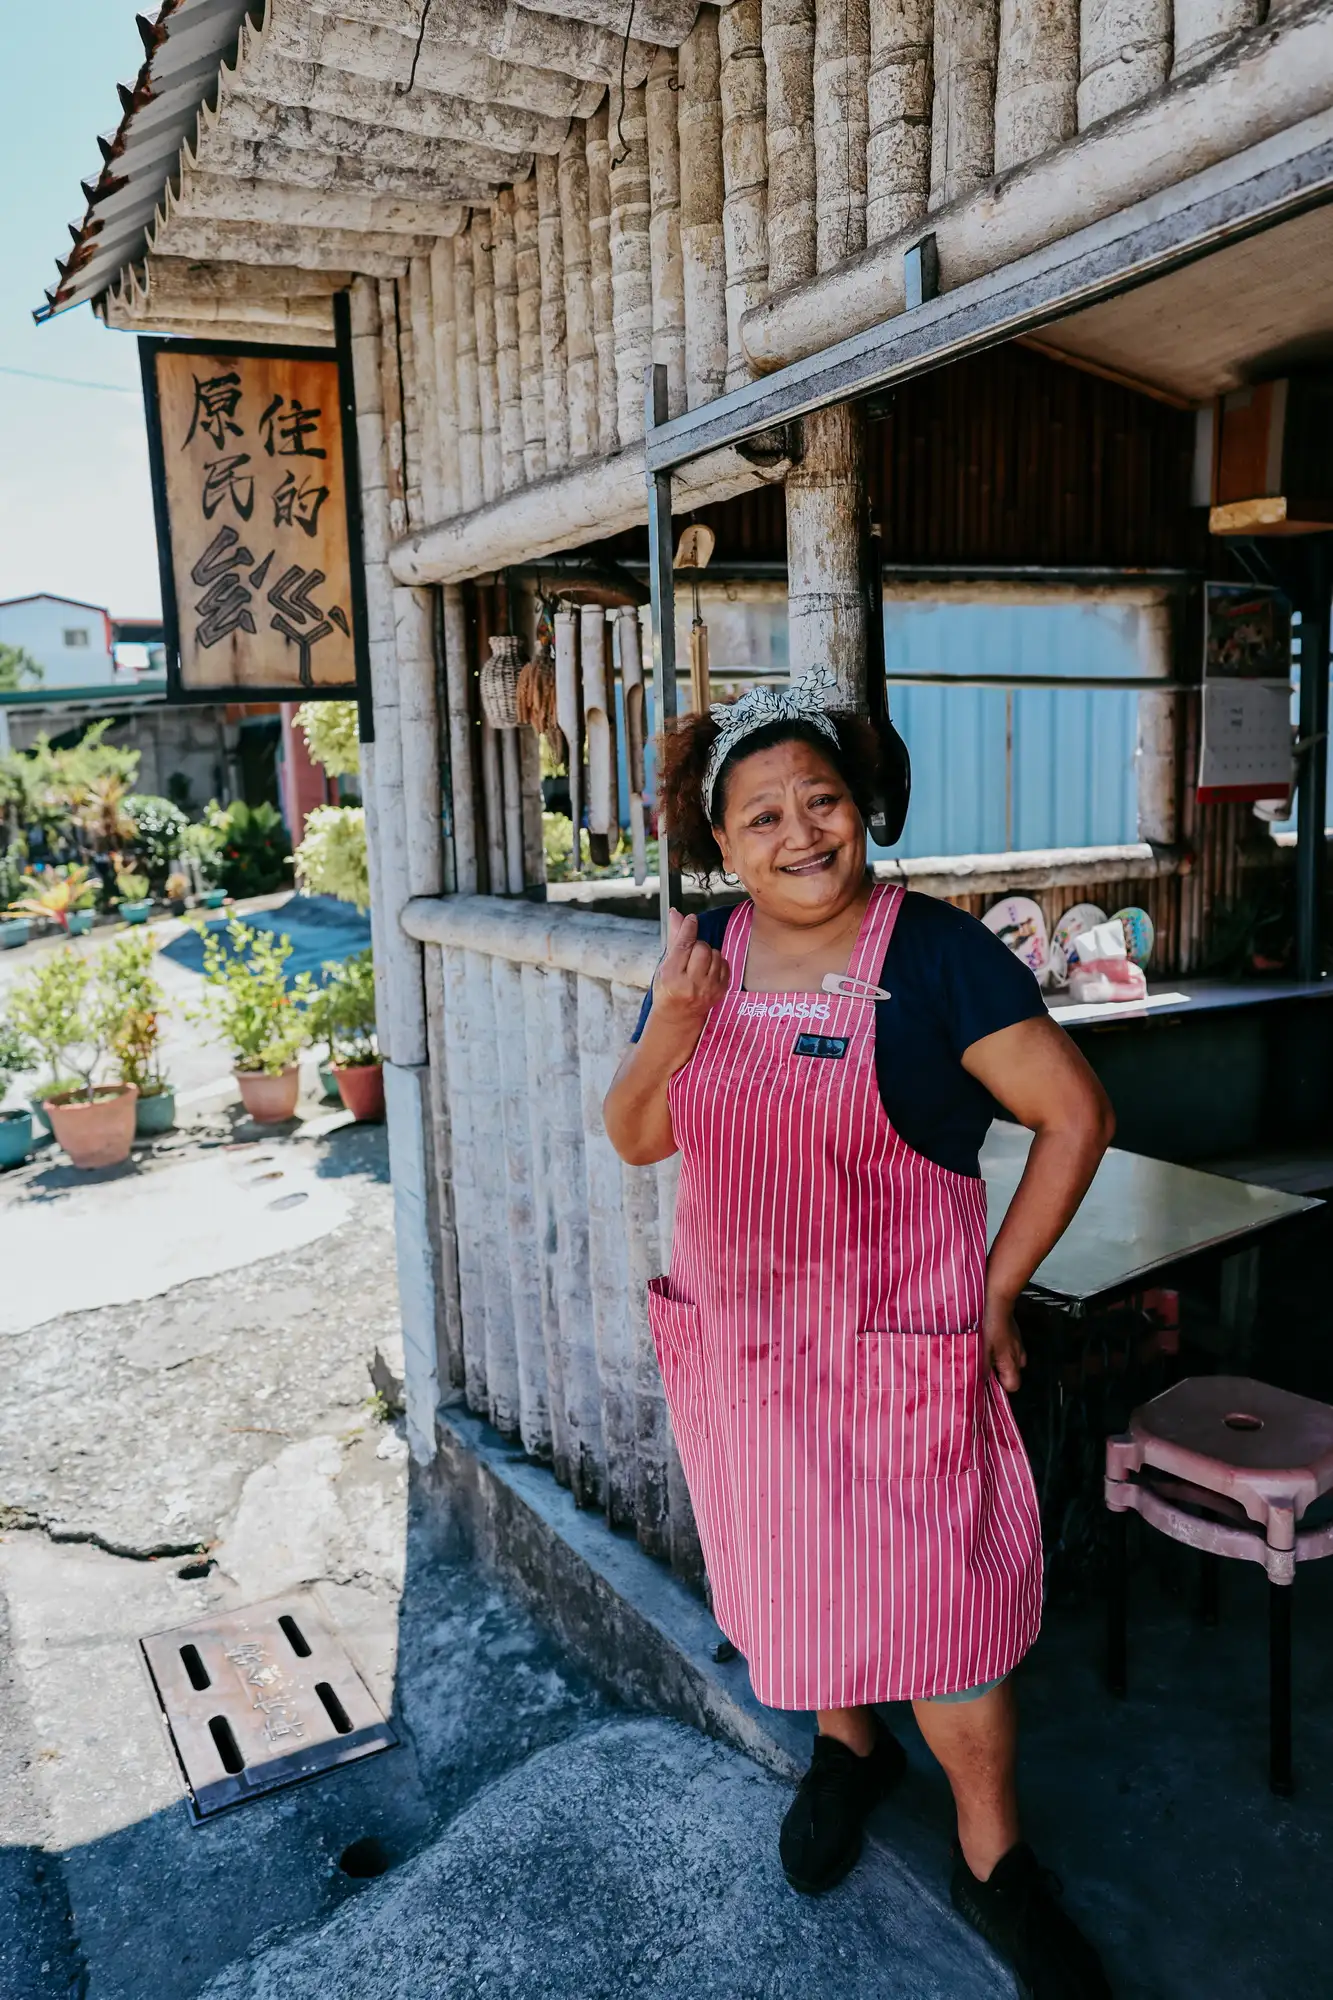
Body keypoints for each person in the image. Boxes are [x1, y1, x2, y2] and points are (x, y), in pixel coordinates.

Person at [603, 668, 1116, 1999]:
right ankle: (849, 1748)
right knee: (797, 1577)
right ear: (721, 844)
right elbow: (638, 1135)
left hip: (902, 1350)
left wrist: (997, 1294)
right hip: (751, 1362)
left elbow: (1077, 1118)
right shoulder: (700, 955)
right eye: (761, 815)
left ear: (863, 809)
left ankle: (992, 1861)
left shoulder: (937, 955)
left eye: (820, 801)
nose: (799, 834)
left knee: (945, 1619)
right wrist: (672, 1022)